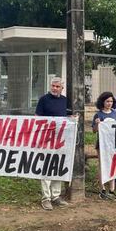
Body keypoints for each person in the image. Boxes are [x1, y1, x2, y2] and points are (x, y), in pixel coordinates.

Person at [35, 77, 70, 210]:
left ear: (62, 88)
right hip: (46, 139)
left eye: (57, 86)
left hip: (60, 140)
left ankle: (56, 196)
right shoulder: (44, 99)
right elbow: (37, 118)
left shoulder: (65, 101)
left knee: (58, 166)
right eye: (53, 86)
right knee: (46, 167)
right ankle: (46, 198)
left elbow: (67, 117)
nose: (55, 88)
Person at [93, 91, 116, 200]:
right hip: (102, 144)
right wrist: (97, 124)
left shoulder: (115, 113)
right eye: (107, 101)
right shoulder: (98, 114)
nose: (109, 103)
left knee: (113, 165)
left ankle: (112, 189)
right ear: (102, 102)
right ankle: (102, 189)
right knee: (102, 165)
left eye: (111, 101)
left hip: (113, 143)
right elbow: (94, 130)